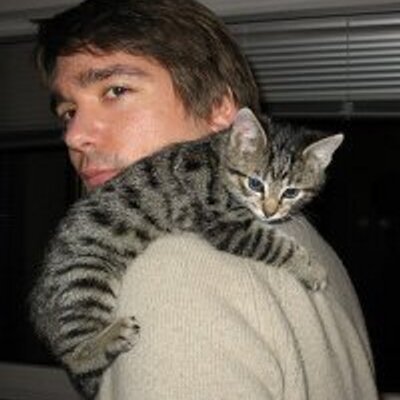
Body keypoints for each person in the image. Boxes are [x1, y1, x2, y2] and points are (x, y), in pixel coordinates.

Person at [34, 0, 379, 399]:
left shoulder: (176, 266)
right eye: (68, 112)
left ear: (221, 113)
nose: (74, 136)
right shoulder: (313, 245)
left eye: (116, 90)